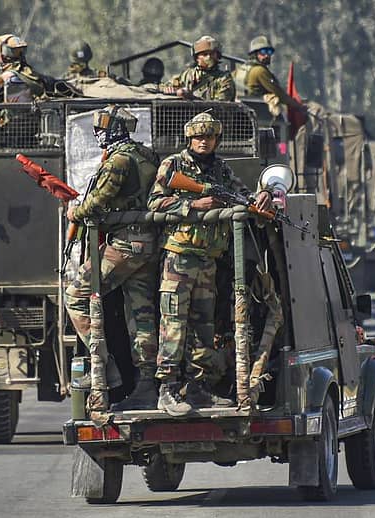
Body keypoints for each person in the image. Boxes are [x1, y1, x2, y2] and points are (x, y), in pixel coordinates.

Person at [148, 111, 272, 416]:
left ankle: (199, 387)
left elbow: (243, 196)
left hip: (208, 260)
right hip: (179, 257)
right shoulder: (173, 165)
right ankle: (168, 388)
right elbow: (154, 203)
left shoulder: (220, 168)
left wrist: (263, 196)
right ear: (189, 138)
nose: (204, 142)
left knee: (204, 326)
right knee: (174, 323)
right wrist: (191, 205)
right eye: (199, 137)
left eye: (210, 137)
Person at [64, 105, 161, 412]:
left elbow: (97, 201)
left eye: (103, 128)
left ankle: (105, 368)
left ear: (116, 129)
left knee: (77, 294)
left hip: (125, 244)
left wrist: (74, 211)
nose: (99, 134)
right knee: (142, 317)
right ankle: (148, 383)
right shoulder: (147, 155)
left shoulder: (118, 160)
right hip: (150, 243)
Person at [240, 35, 307, 116]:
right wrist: (298, 106)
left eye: (269, 52)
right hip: (258, 112)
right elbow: (278, 93)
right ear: (255, 53)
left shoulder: (242, 69)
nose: (267, 55)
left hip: (243, 110)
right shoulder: (259, 71)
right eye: (264, 52)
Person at [162, 35, 235, 101]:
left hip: (213, 115)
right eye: (205, 54)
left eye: (212, 54)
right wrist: (168, 89)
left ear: (217, 56)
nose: (209, 57)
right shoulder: (187, 75)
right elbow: (159, 87)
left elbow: (221, 105)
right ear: (197, 58)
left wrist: (193, 98)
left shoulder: (224, 78)